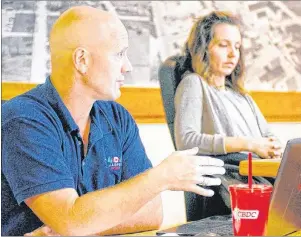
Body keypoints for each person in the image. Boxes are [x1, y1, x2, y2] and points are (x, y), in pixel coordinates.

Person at [1, 6, 226, 236]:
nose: (127, 66)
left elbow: (152, 213)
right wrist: (161, 177)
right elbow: (69, 220)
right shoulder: (23, 119)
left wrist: (82, 226)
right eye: (119, 54)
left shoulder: (117, 117)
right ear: (82, 60)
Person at [174, 11, 283, 160]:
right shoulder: (194, 83)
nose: (233, 54)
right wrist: (248, 144)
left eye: (237, 47)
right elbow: (186, 141)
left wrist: (274, 147)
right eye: (223, 45)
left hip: (261, 171)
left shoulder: (241, 95)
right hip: (235, 176)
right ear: (202, 49)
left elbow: (268, 136)